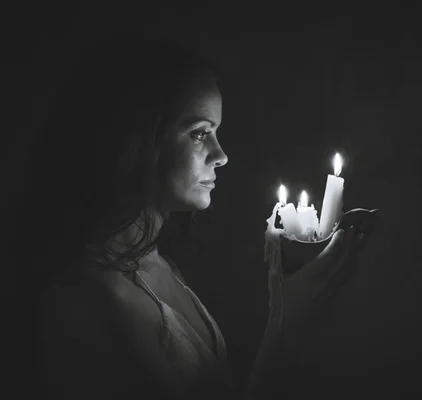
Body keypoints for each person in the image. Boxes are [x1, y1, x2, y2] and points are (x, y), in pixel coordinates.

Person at [25, 34, 372, 400]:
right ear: (134, 141)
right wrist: (287, 318)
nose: (221, 155)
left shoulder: (156, 266)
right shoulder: (84, 301)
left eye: (215, 132)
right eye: (199, 133)